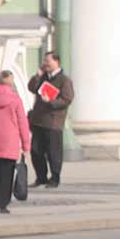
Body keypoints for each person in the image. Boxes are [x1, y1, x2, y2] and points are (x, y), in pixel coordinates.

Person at [26, 52, 73, 188]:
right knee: (36, 151)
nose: (45, 64)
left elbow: (67, 99)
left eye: (48, 61)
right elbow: (32, 88)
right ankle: (41, 177)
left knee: (53, 152)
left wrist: (52, 101)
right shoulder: (43, 77)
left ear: (56, 62)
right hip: (38, 120)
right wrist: (37, 75)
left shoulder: (64, 80)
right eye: (44, 61)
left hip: (53, 121)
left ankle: (55, 178)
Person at [0, 71, 31, 214]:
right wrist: (26, 145)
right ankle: (2, 204)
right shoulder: (15, 99)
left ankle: (0, 199)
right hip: (9, 141)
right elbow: (22, 123)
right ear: (11, 82)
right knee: (7, 173)